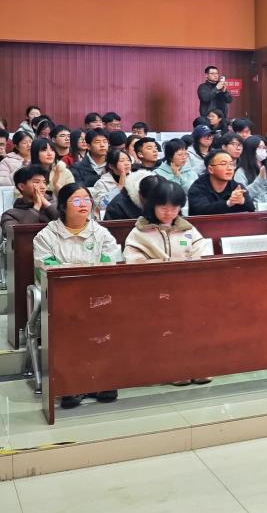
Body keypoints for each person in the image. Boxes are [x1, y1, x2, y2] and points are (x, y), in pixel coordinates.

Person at [33, 183, 121, 409]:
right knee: (69, 325)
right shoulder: (46, 236)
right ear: (63, 206)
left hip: (97, 297)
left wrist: (79, 273)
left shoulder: (101, 234)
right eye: (76, 200)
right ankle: (71, 384)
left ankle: (102, 380)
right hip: (63, 298)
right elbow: (47, 269)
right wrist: (82, 272)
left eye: (87, 200)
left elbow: (109, 265)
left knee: (107, 324)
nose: (84, 205)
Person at [124, 180, 209, 263]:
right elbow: (133, 260)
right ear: (153, 206)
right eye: (163, 208)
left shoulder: (188, 230)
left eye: (174, 209)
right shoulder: (139, 232)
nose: (168, 213)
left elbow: (202, 254)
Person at [188, 150, 256, 215]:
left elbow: (252, 209)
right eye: (223, 164)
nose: (229, 168)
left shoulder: (237, 187)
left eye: (231, 164)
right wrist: (228, 203)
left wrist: (243, 202)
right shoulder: (198, 188)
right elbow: (200, 210)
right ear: (211, 169)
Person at [1, 166, 59, 241]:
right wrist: (36, 207)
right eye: (36, 182)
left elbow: (67, 222)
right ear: (22, 186)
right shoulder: (10, 215)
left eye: (44, 182)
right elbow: (15, 237)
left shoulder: (59, 205)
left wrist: (46, 203)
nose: (43, 187)